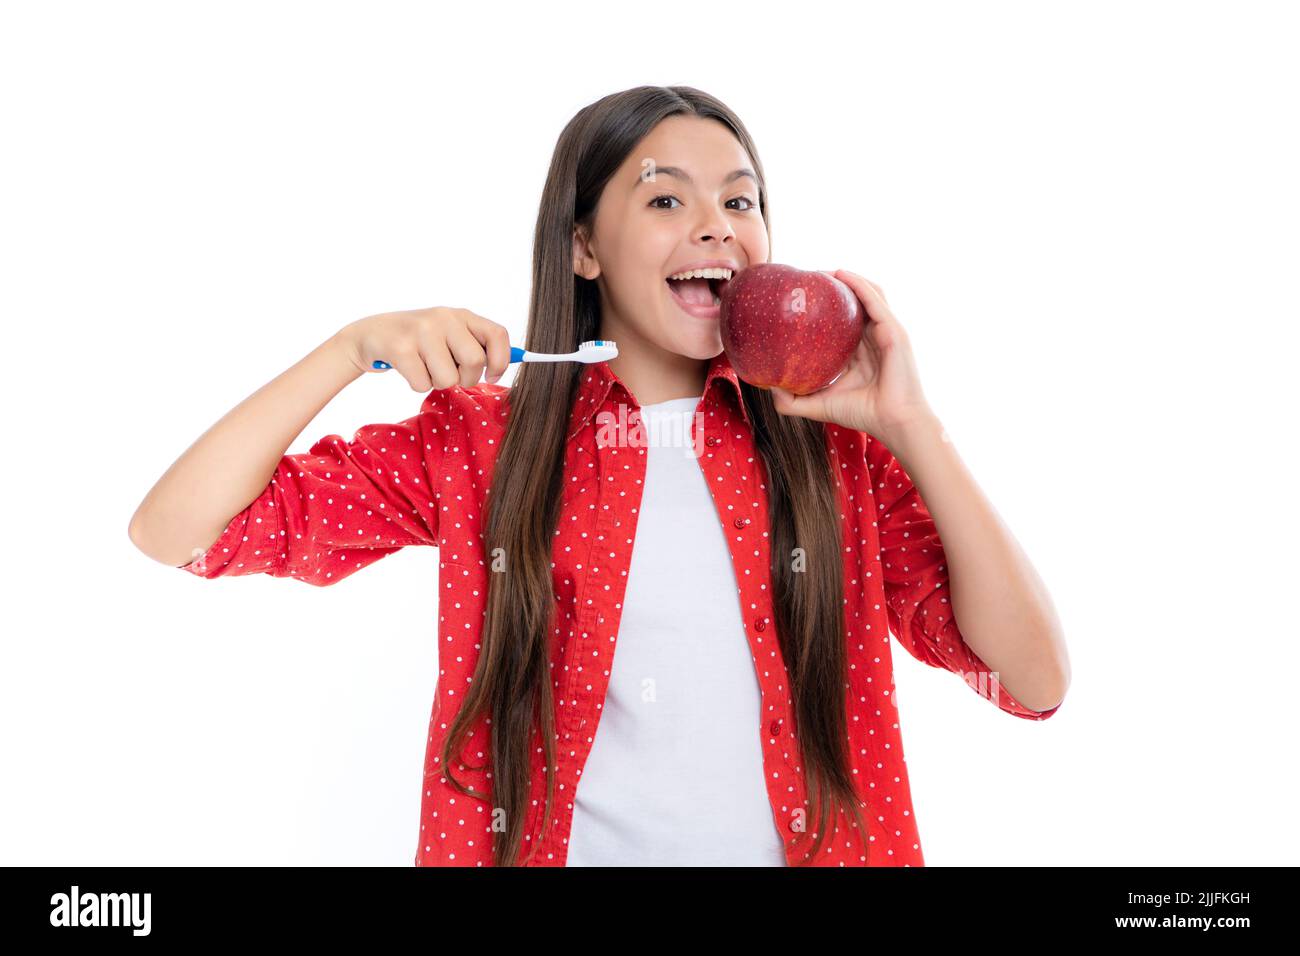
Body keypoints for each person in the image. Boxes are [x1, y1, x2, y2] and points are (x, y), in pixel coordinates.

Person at [129, 85, 1070, 867]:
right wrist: (349, 350)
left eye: (740, 202)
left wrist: (912, 426)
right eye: (667, 200)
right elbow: (179, 532)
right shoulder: (483, 444)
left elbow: (1030, 680)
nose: (717, 228)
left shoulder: (835, 449)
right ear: (583, 246)